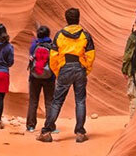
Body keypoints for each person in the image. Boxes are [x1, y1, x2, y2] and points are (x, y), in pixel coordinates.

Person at [37, 8, 95, 143]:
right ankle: (80, 133)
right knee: (80, 101)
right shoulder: (85, 35)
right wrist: (86, 69)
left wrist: (58, 71)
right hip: (80, 67)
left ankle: (46, 132)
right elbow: (90, 55)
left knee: (57, 101)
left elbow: (53, 56)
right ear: (78, 18)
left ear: (67, 19)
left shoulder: (59, 35)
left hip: (64, 68)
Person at [26, 25, 56, 132]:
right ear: (48, 34)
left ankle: (30, 126)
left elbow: (31, 57)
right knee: (49, 102)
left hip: (34, 76)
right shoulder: (52, 46)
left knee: (33, 101)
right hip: (49, 77)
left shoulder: (34, 45)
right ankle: (50, 127)